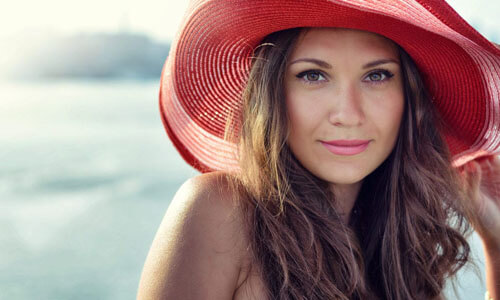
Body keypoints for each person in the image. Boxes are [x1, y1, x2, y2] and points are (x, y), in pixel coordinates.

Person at [137, 1, 500, 299]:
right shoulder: (220, 213)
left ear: (410, 97)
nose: (347, 114)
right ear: (273, 93)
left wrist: (497, 245)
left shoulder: (404, 248)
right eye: (313, 75)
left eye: (377, 75)